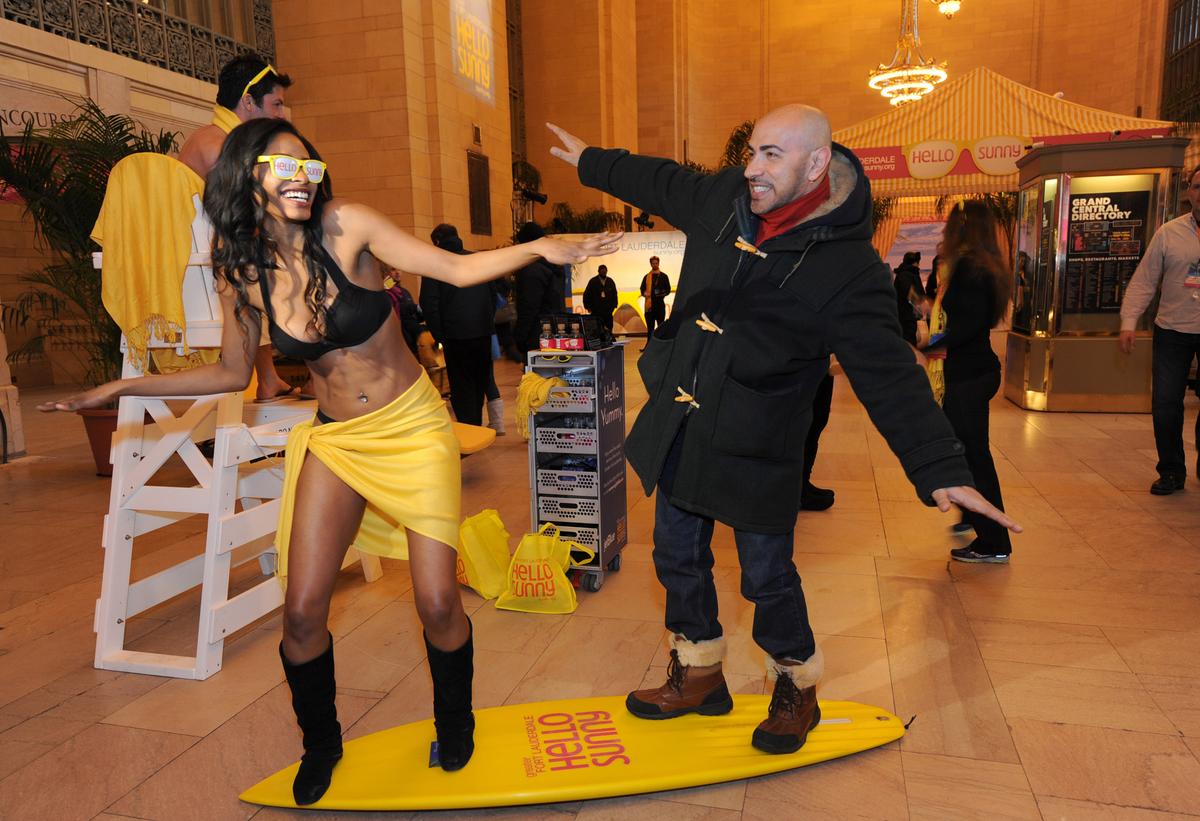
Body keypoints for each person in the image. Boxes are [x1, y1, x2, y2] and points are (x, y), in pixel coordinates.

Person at [41, 119, 618, 805]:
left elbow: (458, 269)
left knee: (438, 601)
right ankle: (321, 744)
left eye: (307, 165)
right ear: (246, 177)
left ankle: (455, 720)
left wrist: (545, 246)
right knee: (303, 612)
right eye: (281, 166)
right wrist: (123, 386)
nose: (300, 179)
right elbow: (230, 374)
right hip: (338, 441)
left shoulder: (347, 225)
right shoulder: (240, 270)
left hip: (412, 428)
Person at [547, 107, 1020, 755]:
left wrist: (940, 467)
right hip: (684, 420)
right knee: (675, 555)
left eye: (772, 155)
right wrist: (591, 160)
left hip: (760, 439)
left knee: (766, 575)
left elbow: (887, 371)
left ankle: (796, 682)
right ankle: (699, 671)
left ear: (817, 163)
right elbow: (660, 181)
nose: (752, 168)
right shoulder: (724, 198)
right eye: (752, 152)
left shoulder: (849, 266)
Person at [177, 52, 297, 403]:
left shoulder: (221, 139)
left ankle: (271, 377)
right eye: (276, 104)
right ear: (248, 101)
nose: (281, 115)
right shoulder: (217, 145)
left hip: (213, 270)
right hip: (201, 280)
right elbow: (242, 216)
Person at [919, 201, 1014, 563]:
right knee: (967, 452)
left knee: (974, 457)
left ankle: (994, 541)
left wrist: (928, 347)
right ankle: (971, 514)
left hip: (967, 375)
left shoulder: (971, 269)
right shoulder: (982, 266)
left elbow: (964, 328)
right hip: (972, 371)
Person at [1119, 166, 1200, 495]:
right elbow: (1145, 280)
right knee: (1166, 403)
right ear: (1189, 192)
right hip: (1172, 329)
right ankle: (1171, 470)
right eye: (1197, 186)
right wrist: (1129, 321)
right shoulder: (1169, 233)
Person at [422, 224, 499, 427]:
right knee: (479, 382)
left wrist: (440, 335)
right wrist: (485, 321)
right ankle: (476, 424)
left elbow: (429, 303)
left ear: (437, 242)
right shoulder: (477, 260)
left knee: (461, 385)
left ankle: (469, 427)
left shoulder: (435, 266)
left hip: (454, 335)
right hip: (482, 333)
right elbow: (492, 295)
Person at [513, 221, 566, 354]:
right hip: (556, 330)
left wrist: (520, 336)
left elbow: (529, 306)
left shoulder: (531, 269)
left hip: (537, 334)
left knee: (536, 367)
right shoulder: (555, 264)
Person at [893, 251, 925, 345]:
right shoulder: (906, 275)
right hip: (906, 315)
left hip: (908, 314)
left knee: (909, 339)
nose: (919, 265)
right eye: (918, 262)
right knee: (909, 340)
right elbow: (908, 292)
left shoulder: (907, 273)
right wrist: (923, 305)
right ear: (914, 262)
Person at [640, 256, 672, 344]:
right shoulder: (646, 277)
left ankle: (660, 346)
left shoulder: (664, 276)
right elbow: (642, 289)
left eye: (656, 263)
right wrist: (644, 293)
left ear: (659, 263)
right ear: (650, 264)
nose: (655, 265)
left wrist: (661, 293)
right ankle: (649, 346)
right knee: (650, 328)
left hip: (659, 305)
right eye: (653, 263)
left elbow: (668, 290)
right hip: (649, 307)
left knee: (660, 327)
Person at [583, 263, 619, 333]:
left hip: (608, 311)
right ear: (598, 271)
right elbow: (586, 295)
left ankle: (609, 338)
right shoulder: (593, 281)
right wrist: (588, 307)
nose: (603, 272)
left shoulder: (610, 281)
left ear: (607, 271)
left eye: (605, 271)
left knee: (609, 327)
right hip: (596, 310)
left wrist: (614, 306)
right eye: (602, 271)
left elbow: (615, 294)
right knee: (597, 328)